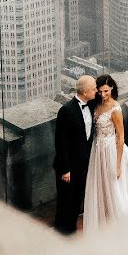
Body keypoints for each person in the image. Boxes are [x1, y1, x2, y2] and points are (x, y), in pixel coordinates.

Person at [84, 74, 128, 233]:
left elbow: (121, 137)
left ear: (112, 88)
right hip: (98, 150)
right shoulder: (96, 104)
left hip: (112, 150)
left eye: (106, 91)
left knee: (115, 188)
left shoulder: (115, 109)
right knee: (101, 185)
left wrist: (117, 165)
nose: (103, 95)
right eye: (100, 91)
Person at [53, 75, 97, 234]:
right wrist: (65, 169)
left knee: (77, 199)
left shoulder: (91, 105)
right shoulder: (66, 110)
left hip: (83, 163)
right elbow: (61, 142)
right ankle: (60, 233)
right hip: (68, 167)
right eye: (93, 89)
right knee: (65, 200)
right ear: (85, 92)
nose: (96, 91)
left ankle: (70, 229)